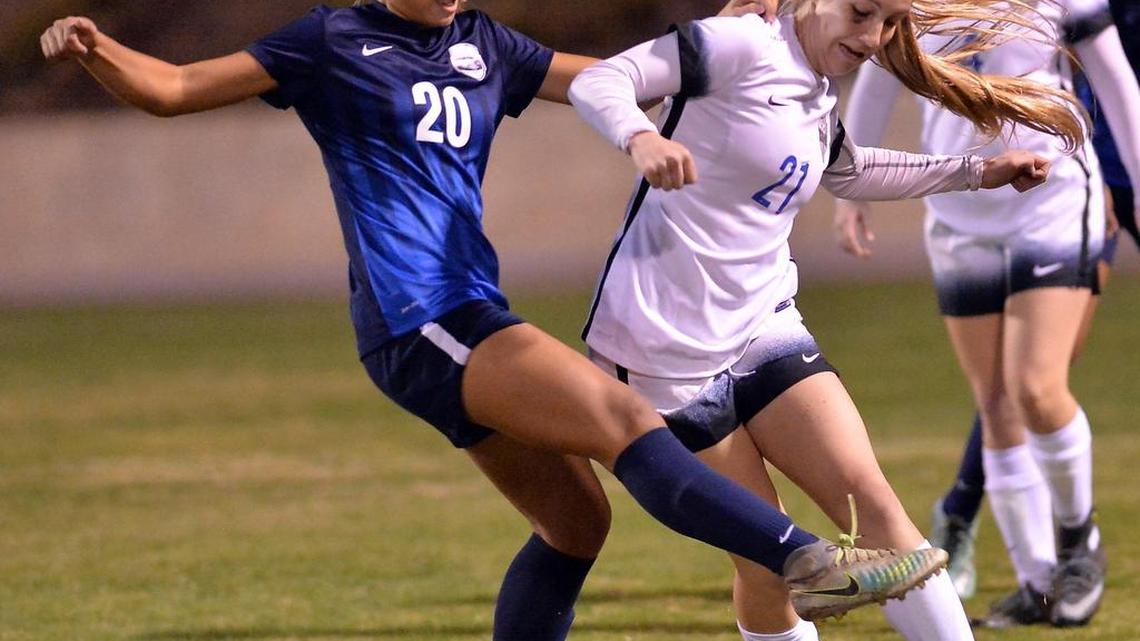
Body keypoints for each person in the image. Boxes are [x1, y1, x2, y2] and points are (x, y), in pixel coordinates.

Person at [38, 0, 956, 638]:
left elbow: (614, 76)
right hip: (420, 313)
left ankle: (800, 565)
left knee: (575, 523)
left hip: (464, 309)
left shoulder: (487, 44)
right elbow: (174, 87)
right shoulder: (330, 41)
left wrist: (731, 56)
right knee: (627, 419)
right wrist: (95, 47)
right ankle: (808, 561)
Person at [567, 0, 1083, 639]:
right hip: (661, 351)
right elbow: (598, 80)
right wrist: (640, 135)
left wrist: (979, 171)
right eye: (862, 12)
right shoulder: (737, 45)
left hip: (763, 323)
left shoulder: (814, 84)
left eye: (891, 23)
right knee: (766, 566)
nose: (874, 38)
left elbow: (848, 169)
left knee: (882, 515)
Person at [833, 0, 1140, 628]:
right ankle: (1039, 585)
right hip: (960, 207)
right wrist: (849, 188)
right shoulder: (912, 3)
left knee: (1035, 387)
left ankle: (1079, 543)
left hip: (1051, 198)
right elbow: (879, 71)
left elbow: (1115, 82)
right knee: (996, 401)